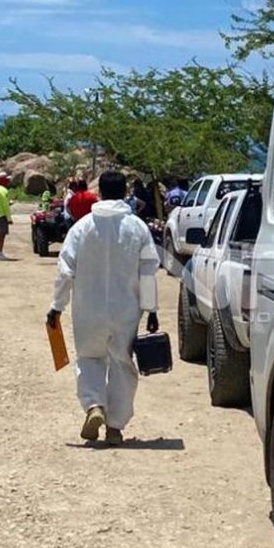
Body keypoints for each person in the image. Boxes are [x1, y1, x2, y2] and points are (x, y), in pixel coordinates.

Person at [46, 171, 160, 445]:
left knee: (89, 359)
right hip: (126, 311)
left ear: (101, 193)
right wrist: (152, 309)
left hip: (88, 310)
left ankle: (94, 405)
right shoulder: (137, 228)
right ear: (124, 193)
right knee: (122, 365)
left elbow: (65, 270)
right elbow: (148, 270)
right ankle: (115, 426)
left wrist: (57, 306)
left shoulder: (81, 227)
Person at [0, 173, 14, 260]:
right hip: (2, 215)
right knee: (2, 235)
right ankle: (0, 254)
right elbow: (5, 206)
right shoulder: (4, 191)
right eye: (6, 179)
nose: (8, 181)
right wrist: (9, 219)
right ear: (3, 180)